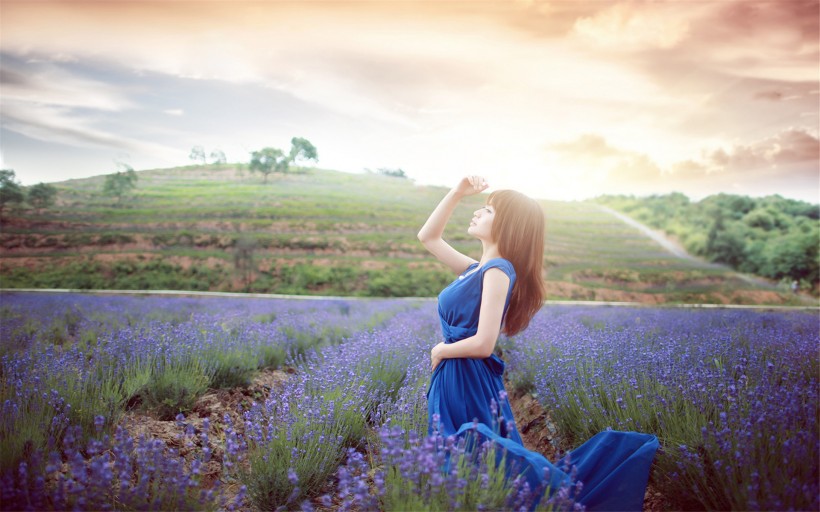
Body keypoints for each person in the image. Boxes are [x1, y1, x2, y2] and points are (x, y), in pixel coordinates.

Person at [418, 176, 659, 511]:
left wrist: (441, 349)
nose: (477, 213)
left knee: (471, 461)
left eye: (487, 210)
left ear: (506, 224)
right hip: (454, 376)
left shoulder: (498, 271)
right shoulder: (476, 269)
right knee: (463, 464)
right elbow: (427, 237)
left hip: (465, 378)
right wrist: (457, 192)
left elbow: (485, 343)